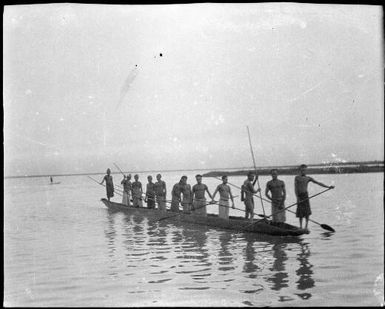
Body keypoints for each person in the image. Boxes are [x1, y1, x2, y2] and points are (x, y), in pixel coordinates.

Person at [295, 164, 335, 231]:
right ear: (300, 170)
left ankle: (306, 226)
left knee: (307, 212)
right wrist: (297, 197)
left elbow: (318, 183)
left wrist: (328, 187)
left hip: (305, 196)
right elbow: (295, 188)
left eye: (304, 170)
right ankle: (300, 227)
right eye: (302, 170)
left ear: (306, 171)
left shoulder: (308, 178)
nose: (303, 171)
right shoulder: (297, 178)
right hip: (299, 196)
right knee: (300, 213)